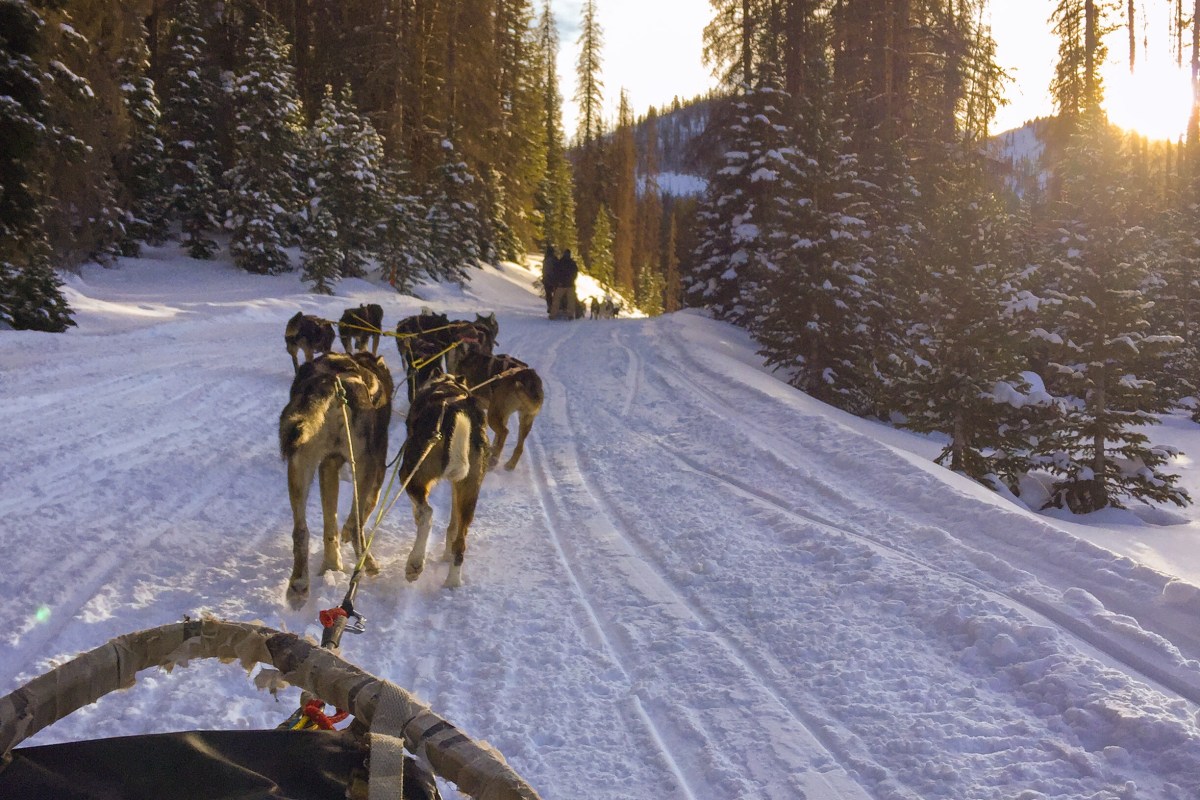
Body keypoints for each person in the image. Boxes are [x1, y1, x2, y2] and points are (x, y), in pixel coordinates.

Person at [551, 249, 579, 319]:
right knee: (571, 301)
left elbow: (555, 272)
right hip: (570, 285)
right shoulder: (572, 263)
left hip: (561, 285)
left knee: (556, 300)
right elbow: (575, 273)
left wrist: (558, 282)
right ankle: (570, 315)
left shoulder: (560, 262)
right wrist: (572, 280)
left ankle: (553, 315)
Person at [541, 246, 558, 313]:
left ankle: (550, 307)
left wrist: (544, 278)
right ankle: (555, 307)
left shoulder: (546, 259)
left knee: (548, 294)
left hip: (546, 280)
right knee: (555, 294)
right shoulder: (554, 259)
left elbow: (544, 270)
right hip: (553, 279)